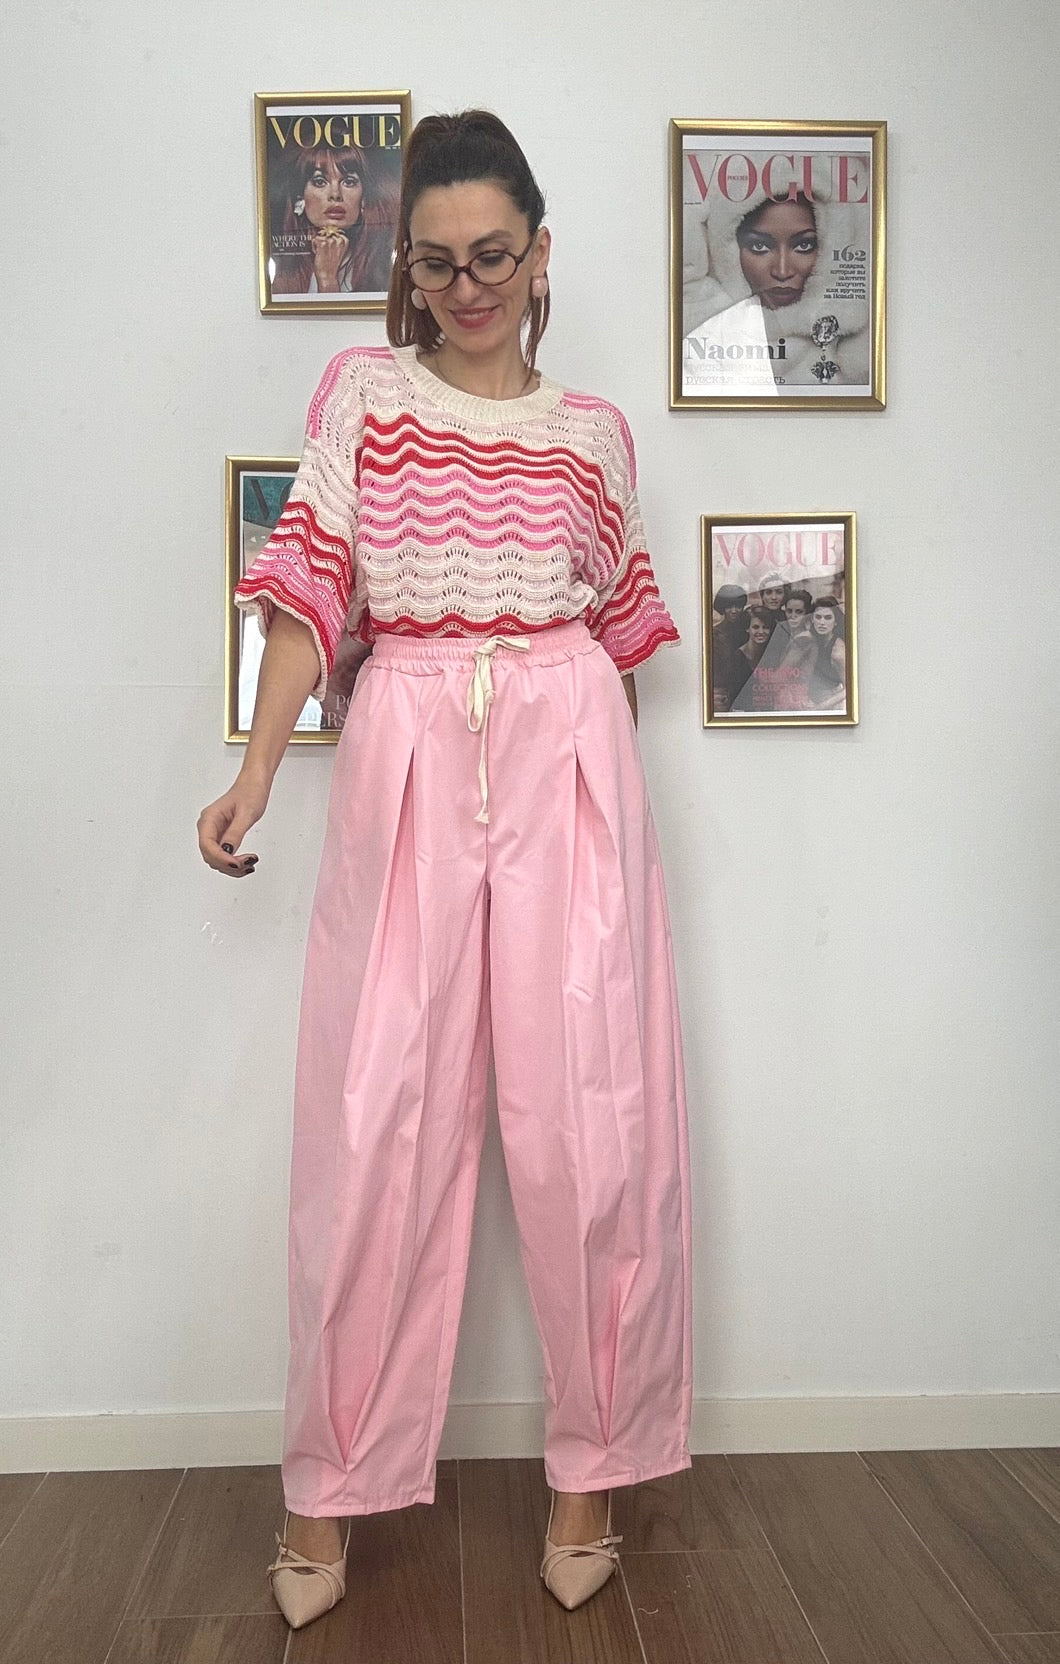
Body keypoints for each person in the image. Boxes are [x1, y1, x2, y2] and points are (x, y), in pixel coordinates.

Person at [197, 109, 693, 1631]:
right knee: (373, 1119)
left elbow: (615, 638)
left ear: (540, 255)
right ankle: (328, 1488)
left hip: (567, 748)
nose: (466, 287)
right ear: (403, 270)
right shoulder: (364, 396)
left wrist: (587, 794)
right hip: (409, 735)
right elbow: (309, 592)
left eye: (492, 256)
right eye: (436, 262)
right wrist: (259, 765)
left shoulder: (596, 435)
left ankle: (593, 1476)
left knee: (592, 1113)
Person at [682, 176, 871, 393]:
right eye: (759, 246)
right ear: (727, 251)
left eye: (804, 245)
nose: (782, 271)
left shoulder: (861, 351)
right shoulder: (701, 339)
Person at [270, 141, 397, 296]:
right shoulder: (281, 269)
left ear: (364, 198)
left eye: (349, 182)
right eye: (320, 182)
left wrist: (328, 281)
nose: (335, 194)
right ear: (300, 196)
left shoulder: (382, 267)